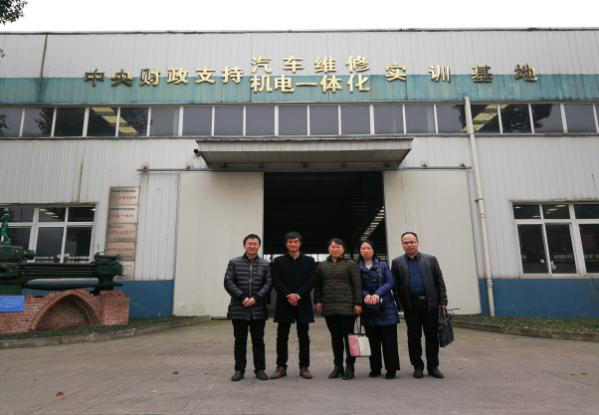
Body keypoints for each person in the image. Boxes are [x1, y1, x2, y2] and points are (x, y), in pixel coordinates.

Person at [391, 231, 448, 379]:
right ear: (402, 245)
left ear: (417, 243)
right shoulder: (397, 263)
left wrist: (443, 301)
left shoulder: (430, 260)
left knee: (432, 337)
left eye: (412, 242)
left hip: (430, 304)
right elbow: (395, 286)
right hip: (411, 306)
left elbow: (439, 281)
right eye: (406, 242)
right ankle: (417, 366)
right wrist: (399, 304)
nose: (409, 245)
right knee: (413, 337)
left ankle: (433, 366)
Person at [224, 234, 272, 382]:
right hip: (239, 308)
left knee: (258, 341)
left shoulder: (265, 264)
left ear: (259, 246)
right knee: (240, 341)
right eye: (249, 243)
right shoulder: (234, 262)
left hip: (258, 310)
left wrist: (256, 298)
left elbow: (268, 283)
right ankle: (239, 370)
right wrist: (243, 297)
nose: (252, 246)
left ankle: (260, 369)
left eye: (255, 244)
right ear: (244, 245)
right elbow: (228, 282)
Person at [314, 238, 362, 380]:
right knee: (335, 338)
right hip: (329, 307)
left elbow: (357, 284)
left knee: (349, 337)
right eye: (332, 247)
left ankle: (350, 366)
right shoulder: (322, 266)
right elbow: (318, 285)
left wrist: (358, 303)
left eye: (338, 247)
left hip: (347, 306)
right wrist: (318, 300)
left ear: (343, 249)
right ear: (328, 249)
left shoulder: (350, 264)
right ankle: (338, 366)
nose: (335, 249)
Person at [358, 240, 400, 379]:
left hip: (386, 307)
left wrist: (377, 294)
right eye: (363, 248)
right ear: (360, 251)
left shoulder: (383, 265)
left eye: (368, 248)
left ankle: (391, 369)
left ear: (373, 250)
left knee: (389, 341)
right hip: (368, 308)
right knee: (373, 341)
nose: (366, 250)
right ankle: (375, 368)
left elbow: (390, 282)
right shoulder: (356, 267)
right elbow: (356, 285)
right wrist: (365, 295)